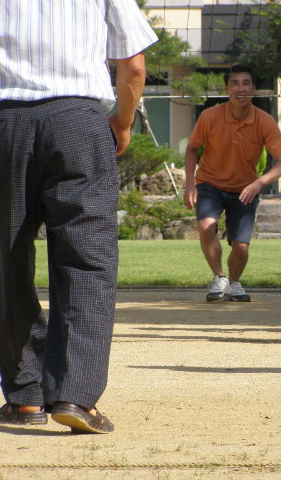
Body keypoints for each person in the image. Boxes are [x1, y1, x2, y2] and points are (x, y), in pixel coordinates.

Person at [0, 0, 157, 433]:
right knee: (87, 260)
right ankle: (75, 395)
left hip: (3, 119)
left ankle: (26, 394)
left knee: (4, 260)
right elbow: (133, 64)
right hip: (77, 118)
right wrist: (123, 122)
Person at [184, 65, 281, 303]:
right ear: (227, 89)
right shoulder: (209, 116)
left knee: (241, 246)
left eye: (246, 83)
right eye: (235, 83)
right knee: (206, 226)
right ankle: (219, 277)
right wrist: (190, 184)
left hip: (245, 189)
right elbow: (192, 149)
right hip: (210, 183)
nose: (240, 88)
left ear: (253, 88)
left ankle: (233, 284)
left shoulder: (265, 121)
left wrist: (258, 183)